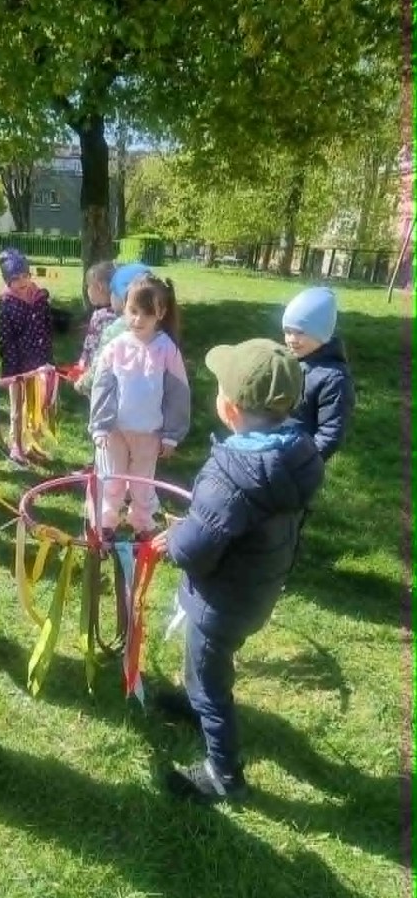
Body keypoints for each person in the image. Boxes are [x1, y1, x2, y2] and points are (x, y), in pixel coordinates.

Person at [151, 338, 325, 803]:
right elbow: (232, 526)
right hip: (256, 591)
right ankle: (195, 701)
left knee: (211, 682)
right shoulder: (299, 453)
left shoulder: (232, 475)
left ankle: (224, 776)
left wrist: (178, 538)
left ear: (228, 408)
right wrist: (196, 524)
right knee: (206, 667)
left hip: (220, 603)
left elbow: (196, 550)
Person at [89, 274, 190, 540]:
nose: (138, 319)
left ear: (161, 313)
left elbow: (178, 394)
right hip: (114, 430)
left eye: (147, 313)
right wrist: (100, 425)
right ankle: (104, 522)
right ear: (124, 308)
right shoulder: (116, 347)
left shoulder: (167, 350)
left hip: (148, 432)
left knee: (142, 484)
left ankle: (142, 522)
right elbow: (102, 387)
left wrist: (171, 435)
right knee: (111, 478)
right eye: (133, 311)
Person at [282, 286, 355, 462]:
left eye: (300, 332)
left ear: (321, 332)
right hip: (274, 454)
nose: (291, 339)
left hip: (299, 462)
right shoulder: (290, 361)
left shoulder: (334, 379)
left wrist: (305, 464)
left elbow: (330, 433)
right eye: (287, 331)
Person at [0, 248, 54, 463]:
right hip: (18, 366)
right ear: (7, 281)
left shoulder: (40, 298)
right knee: (18, 409)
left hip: (40, 363)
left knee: (37, 406)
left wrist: (48, 359)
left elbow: (47, 329)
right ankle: (16, 445)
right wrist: (10, 371)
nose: (22, 282)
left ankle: (33, 445)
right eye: (15, 278)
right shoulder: (6, 303)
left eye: (25, 276)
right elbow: (6, 339)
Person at [75, 261, 150, 396]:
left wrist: (84, 383)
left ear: (124, 297)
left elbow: (100, 360)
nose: (111, 295)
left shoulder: (114, 328)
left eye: (113, 291)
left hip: (107, 390)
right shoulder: (157, 331)